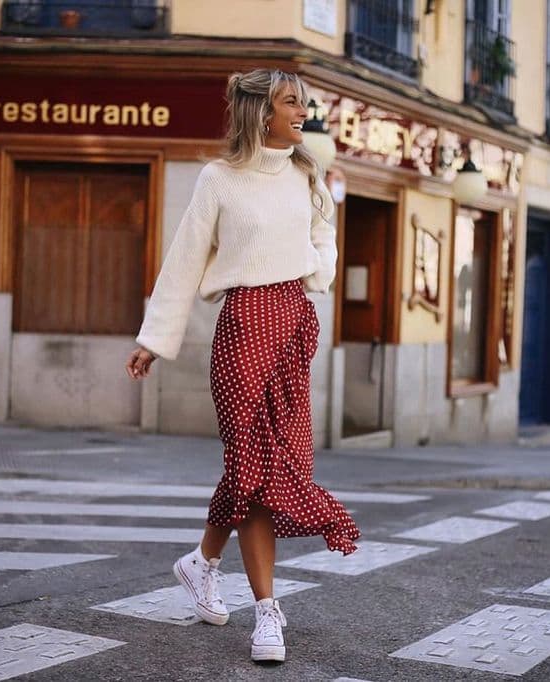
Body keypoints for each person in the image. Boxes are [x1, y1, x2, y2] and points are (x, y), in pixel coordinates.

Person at [125, 68, 361, 664]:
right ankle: (267, 614)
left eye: (304, 103)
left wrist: (317, 271)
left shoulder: (307, 172)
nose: (302, 112)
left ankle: (202, 562)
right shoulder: (219, 180)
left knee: (277, 462)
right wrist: (154, 338)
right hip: (242, 326)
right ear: (261, 111)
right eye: (291, 103)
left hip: (293, 323)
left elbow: (324, 233)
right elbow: (183, 260)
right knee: (253, 468)